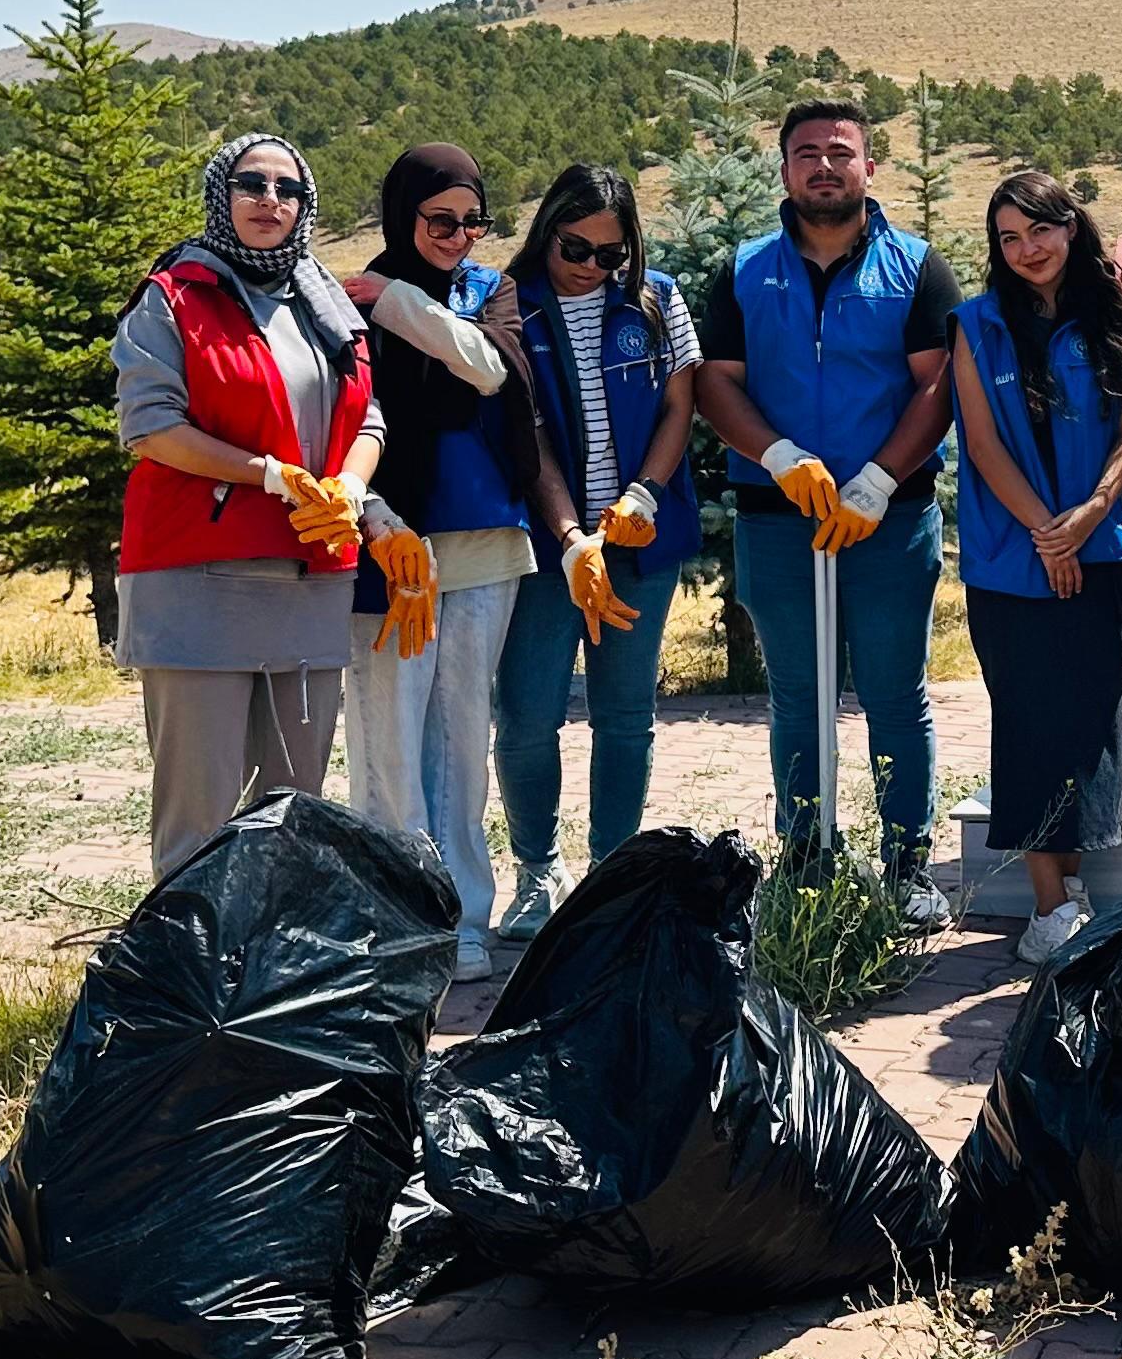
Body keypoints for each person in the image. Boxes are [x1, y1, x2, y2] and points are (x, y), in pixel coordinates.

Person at [694, 98, 961, 924]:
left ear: (868, 167)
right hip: (779, 520)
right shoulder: (743, 271)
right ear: (785, 170)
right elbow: (715, 384)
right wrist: (777, 455)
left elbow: (936, 385)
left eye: (841, 152)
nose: (824, 166)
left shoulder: (917, 267)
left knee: (894, 693)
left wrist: (878, 480)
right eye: (807, 153)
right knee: (797, 698)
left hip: (890, 518)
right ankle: (808, 857)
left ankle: (907, 864)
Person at [112, 133, 383, 878]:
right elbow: (151, 426)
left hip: (311, 579)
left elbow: (368, 419)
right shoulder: (173, 296)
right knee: (198, 818)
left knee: (293, 811)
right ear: (219, 196)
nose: (271, 200)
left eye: (288, 189)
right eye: (251, 183)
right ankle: (185, 984)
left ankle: (268, 981)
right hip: (199, 582)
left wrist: (352, 490)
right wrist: (267, 474)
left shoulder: (326, 304)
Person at [337, 144, 541, 971]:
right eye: (439, 220)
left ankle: (462, 919)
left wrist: (397, 301)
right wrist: (382, 299)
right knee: (387, 730)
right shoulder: (345, 297)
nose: (458, 236)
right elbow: (348, 409)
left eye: (471, 221)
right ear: (402, 214)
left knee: (462, 733)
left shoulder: (491, 291)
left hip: (483, 541)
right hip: (388, 542)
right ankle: (396, 919)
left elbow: (492, 368)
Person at [489, 161, 699, 937]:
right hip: (548, 552)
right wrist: (572, 534)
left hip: (642, 545)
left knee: (625, 716)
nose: (590, 269)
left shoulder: (658, 300)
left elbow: (681, 403)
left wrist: (645, 491)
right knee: (527, 715)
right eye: (575, 248)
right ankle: (538, 873)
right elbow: (525, 430)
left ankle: (613, 875)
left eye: (610, 255)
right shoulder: (510, 306)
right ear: (547, 231)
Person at [950, 168, 1122, 964]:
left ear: (1072, 229)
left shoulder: (1112, 318)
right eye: (1009, 237)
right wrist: (1046, 535)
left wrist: (1090, 515)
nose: (1027, 248)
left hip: (1099, 548)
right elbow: (984, 444)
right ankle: (1045, 909)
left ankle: (1071, 892)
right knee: (1031, 724)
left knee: (1093, 722)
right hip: (1010, 561)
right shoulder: (974, 325)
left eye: (1040, 229)